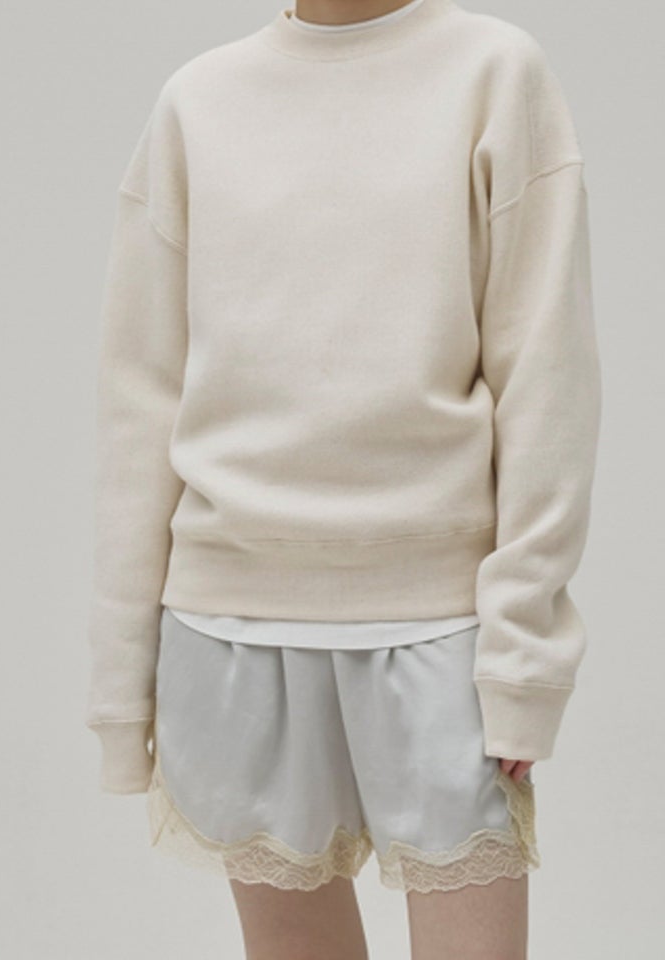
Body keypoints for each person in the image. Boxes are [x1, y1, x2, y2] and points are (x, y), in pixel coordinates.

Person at [85, 1, 602, 957]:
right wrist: (122, 689)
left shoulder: (495, 73)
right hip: (229, 629)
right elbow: (139, 407)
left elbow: (547, 383)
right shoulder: (199, 102)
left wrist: (524, 658)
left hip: (441, 626)